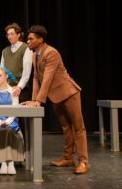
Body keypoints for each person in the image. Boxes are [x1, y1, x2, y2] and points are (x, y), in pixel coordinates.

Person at [22, 25, 89, 174]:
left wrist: (39, 101)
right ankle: (68, 157)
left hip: (69, 93)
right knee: (66, 128)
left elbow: (47, 78)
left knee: (78, 128)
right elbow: (36, 78)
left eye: (31, 39)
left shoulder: (52, 53)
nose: (28, 41)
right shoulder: (35, 54)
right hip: (56, 96)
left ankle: (83, 162)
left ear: (40, 40)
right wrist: (34, 99)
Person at [0, 68, 25, 175]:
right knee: (2, 130)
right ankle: (5, 162)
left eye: (0, 75)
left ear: (6, 76)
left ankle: (10, 162)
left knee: (8, 130)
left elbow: (15, 108)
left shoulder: (13, 90)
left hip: (10, 119)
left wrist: (8, 121)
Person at [0, 22, 33, 102]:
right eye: (8, 34)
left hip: (21, 90)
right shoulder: (5, 51)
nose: (9, 36)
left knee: (19, 114)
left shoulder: (26, 48)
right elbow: (1, 70)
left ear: (18, 35)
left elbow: (26, 72)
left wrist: (19, 87)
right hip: (7, 89)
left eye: (12, 34)